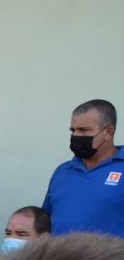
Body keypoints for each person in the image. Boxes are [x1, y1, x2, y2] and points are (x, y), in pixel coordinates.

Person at [42, 99, 123, 237]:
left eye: (84, 130)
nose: (76, 136)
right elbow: (44, 222)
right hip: (58, 257)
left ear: (108, 132)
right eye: (73, 130)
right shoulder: (63, 171)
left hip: (108, 258)